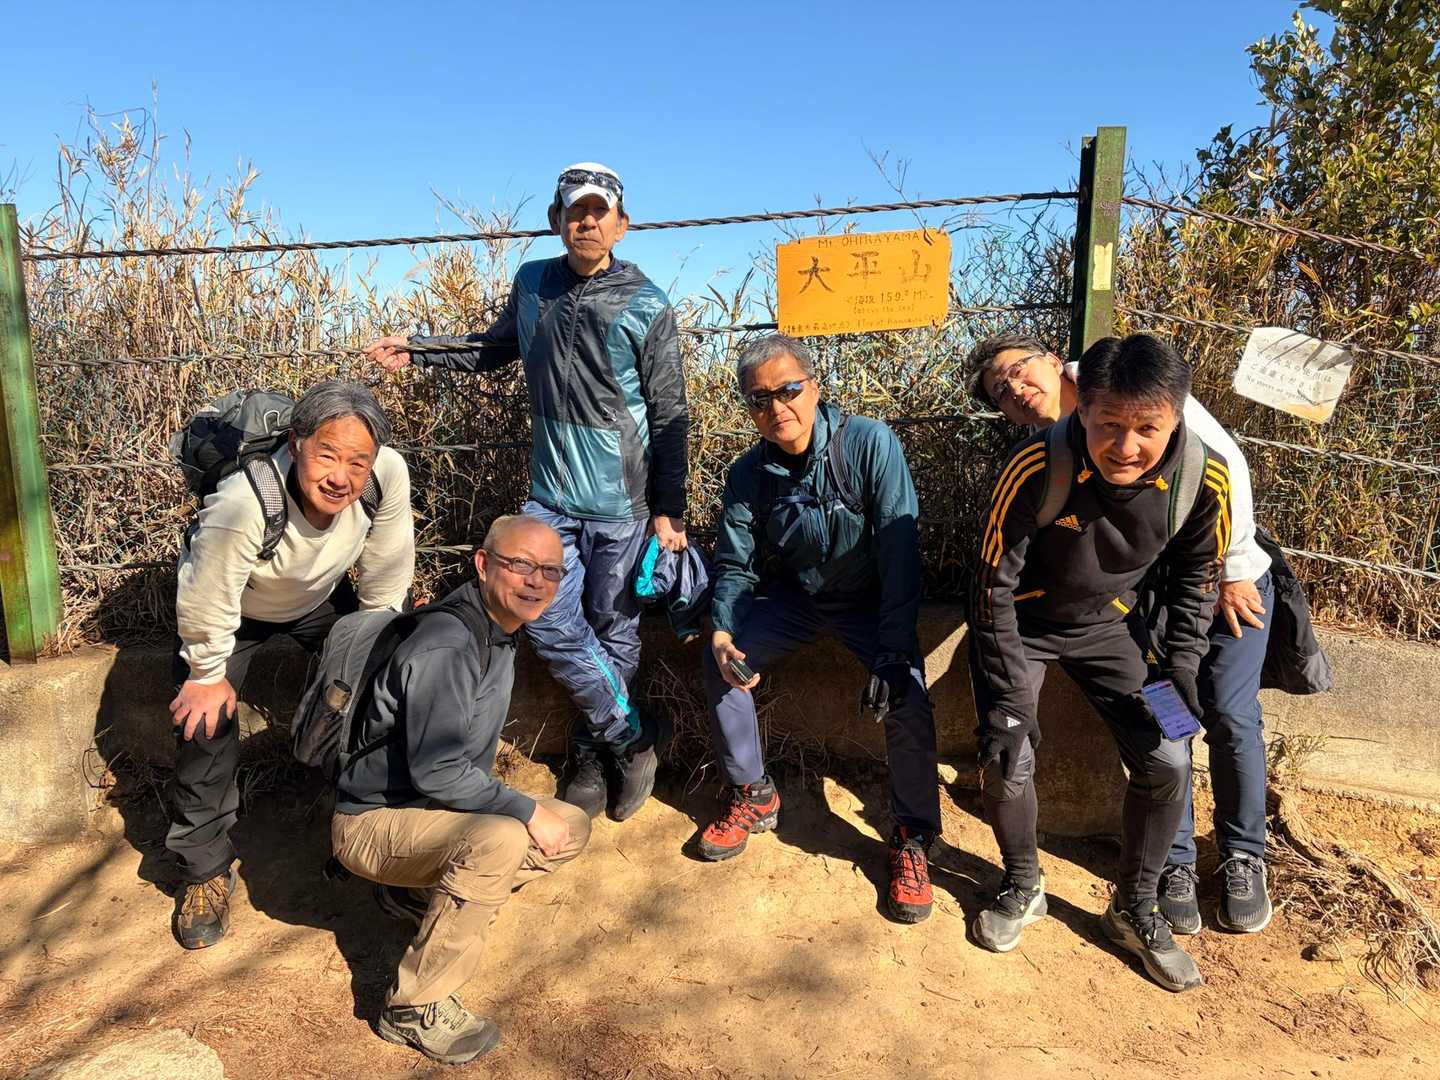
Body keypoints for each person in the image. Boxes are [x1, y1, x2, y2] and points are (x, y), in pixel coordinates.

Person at [365, 162, 687, 823]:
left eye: (599, 211)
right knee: (544, 616)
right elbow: (495, 348)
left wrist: (668, 509)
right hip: (550, 500)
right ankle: (631, 735)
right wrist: (419, 348)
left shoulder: (647, 303)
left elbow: (670, 412)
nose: (587, 221)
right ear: (555, 220)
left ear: (622, 224)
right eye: (575, 210)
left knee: (616, 630)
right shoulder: (533, 283)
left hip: (623, 505)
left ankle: (594, 751)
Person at [965, 332, 1274, 935]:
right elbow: (990, 586)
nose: (1126, 448)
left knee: (1171, 754)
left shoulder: (1202, 476)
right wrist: (1008, 693)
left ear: (1176, 417)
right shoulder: (1035, 466)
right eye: (1109, 426)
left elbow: (1196, 581)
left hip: (1111, 625)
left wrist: (1180, 668)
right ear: (1083, 411)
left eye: (1146, 429)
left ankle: (1136, 905)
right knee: (1006, 751)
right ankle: (1023, 883)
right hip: (1024, 629)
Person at [330, 514, 590, 1066]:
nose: (536, 580)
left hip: (426, 813)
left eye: (551, 570)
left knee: (570, 825)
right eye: (521, 564)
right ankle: (413, 1006)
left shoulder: (498, 630)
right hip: (372, 821)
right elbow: (439, 770)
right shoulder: (449, 643)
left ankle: (412, 895)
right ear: (483, 564)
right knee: (499, 839)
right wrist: (523, 809)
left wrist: (527, 813)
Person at [702, 334, 942, 923]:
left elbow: (900, 549)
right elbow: (735, 563)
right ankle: (754, 792)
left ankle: (911, 834)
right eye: (759, 399)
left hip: (869, 601)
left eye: (787, 390)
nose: (776, 408)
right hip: (798, 599)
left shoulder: (868, 443)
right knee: (723, 664)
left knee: (907, 694)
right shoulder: (749, 474)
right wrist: (724, 631)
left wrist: (893, 645)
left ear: (814, 387)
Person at [168, 380, 415, 949]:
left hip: (317, 599)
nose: (341, 477)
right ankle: (203, 868)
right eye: (327, 454)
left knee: (385, 691)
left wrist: (374, 650)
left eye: (357, 462)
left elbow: (386, 570)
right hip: (235, 608)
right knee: (203, 722)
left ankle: (376, 834)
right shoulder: (244, 500)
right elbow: (208, 594)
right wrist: (205, 673)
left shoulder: (387, 474)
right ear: (297, 442)